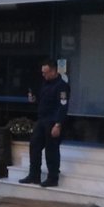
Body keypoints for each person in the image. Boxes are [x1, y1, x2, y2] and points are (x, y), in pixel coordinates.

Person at [19, 60, 70, 188]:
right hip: (42, 120)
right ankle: (34, 174)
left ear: (53, 71)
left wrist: (58, 124)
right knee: (34, 145)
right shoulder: (45, 84)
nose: (43, 75)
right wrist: (34, 98)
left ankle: (53, 177)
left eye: (46, 73)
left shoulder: (62, 86)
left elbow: (63, 106)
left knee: (51, 150)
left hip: (53, 121)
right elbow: (42, 99)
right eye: (42, 73)